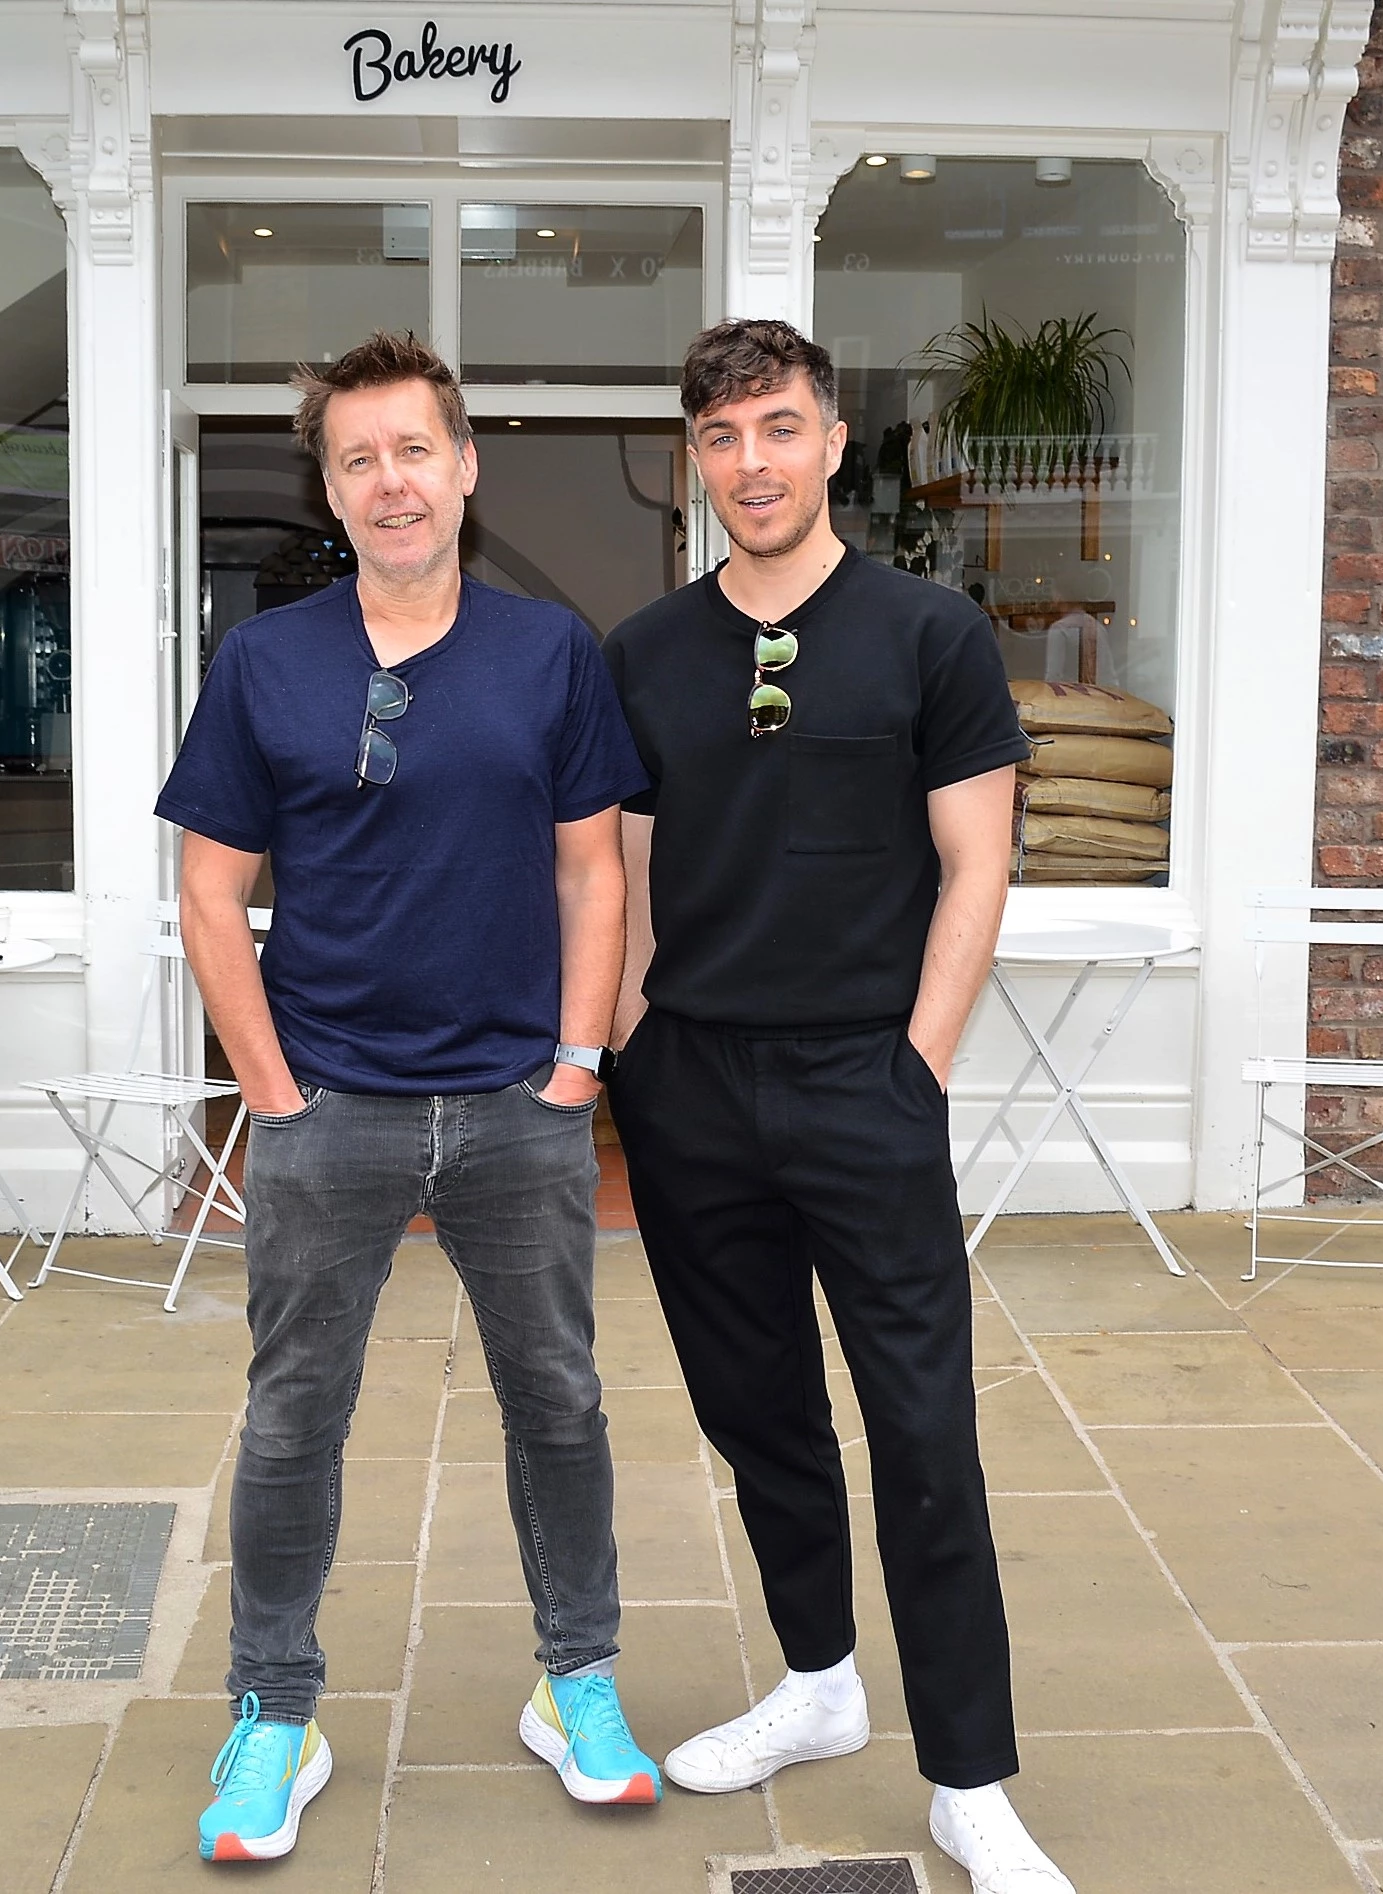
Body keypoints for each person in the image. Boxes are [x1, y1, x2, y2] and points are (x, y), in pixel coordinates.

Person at [158, 330, 661, 1863]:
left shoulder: (547, 654)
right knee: (293, 1418)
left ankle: (576, 1678)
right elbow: (205, 890)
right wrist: (269, 1089)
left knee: (558, 1404)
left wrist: (580, 1063)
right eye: (360, 458)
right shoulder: (266, 663)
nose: (393, 482)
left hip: (519, 1099)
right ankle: (274, 1713)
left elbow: (597, 867)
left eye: (415, 450)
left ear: (465, 468)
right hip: (331, 1110)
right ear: (332, 486)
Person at [601, 318, 1075, 1894]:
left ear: (828, 440)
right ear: (697, 456)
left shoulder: (931, 634)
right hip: (694, 1089)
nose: (754, 462)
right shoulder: (647, 651)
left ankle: (968, 1779)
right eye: (725, 435)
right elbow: (630, 874)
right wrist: (627, 1053)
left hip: (867, 1081)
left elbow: (977, 862)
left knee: (923, 1428)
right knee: (760, 1420)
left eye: (782, 429)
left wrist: (917, 1063)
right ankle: (815, 1683)